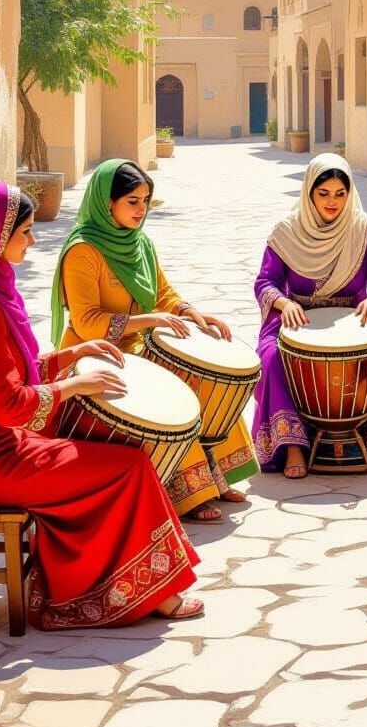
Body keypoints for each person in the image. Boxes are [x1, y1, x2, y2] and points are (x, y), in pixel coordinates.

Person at [0, 182, 202, 629]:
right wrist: (74, 385)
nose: (33, 239)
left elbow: (3, 372)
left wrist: (69, 356)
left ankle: (106, 575)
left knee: (90, 443)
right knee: (129, 465)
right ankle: (130, 591)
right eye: (24, 231)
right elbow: (8, 404)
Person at [51, 159, 258, 523]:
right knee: (172, 403)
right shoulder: (82, 251)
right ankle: (190, 492)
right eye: (132, 201)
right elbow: (86, 322)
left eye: (145, 200)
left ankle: (215, 475)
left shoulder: (140, 243)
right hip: (91, 355)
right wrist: (147, 320)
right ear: (107, 202)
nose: (141, 209)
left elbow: (163, 293)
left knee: (203, 379)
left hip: (136, 351)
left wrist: (191, 312)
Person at [252, 153, 367, 477]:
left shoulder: (365, 229)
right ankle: (292, 446)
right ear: (309, 192)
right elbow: (265, 282)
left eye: (340, 193)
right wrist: (284, 303)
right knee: (271, 358)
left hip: (353, 317)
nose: (332, 201)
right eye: (323, 193)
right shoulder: (286, 232)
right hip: (296, 317)